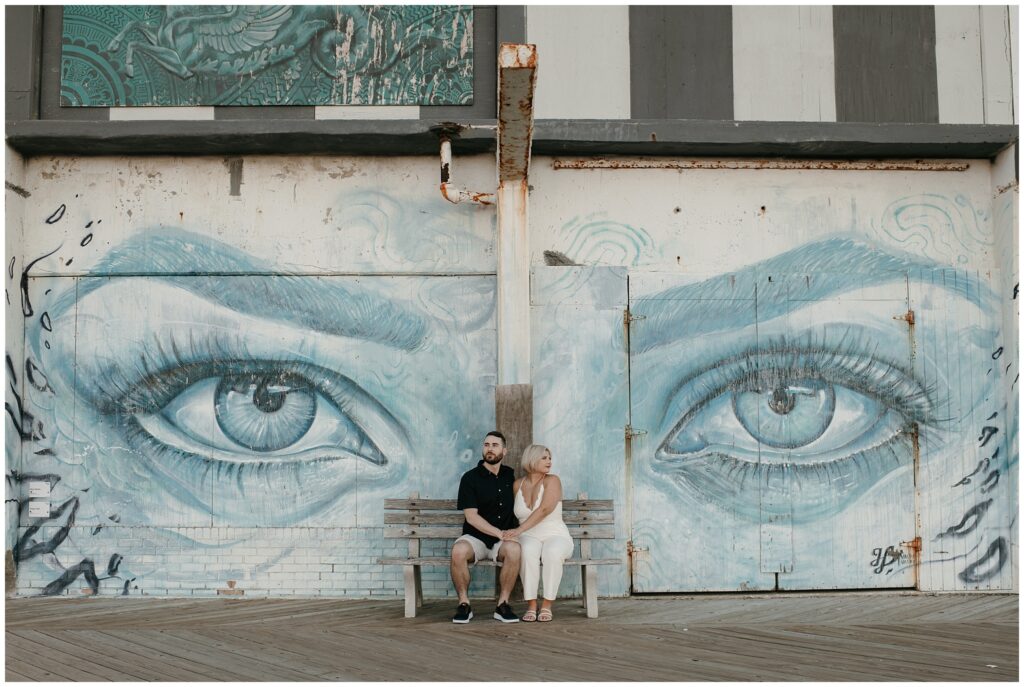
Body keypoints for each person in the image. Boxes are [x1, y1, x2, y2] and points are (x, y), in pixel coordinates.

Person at [450, 431, 521, 623]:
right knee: (458, 551)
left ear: (504, 451)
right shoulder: (470, 478)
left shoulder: (509, 476)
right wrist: (499, 532)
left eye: (495, 445)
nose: (489, 448)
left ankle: (502, 604)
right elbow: (471, 517)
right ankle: (464, 604)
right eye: (486, 444)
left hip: (503, 540)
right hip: (476, 538)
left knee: (515, 549)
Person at [504, 444, 573, 622]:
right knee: (526, 551)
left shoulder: (553, 481)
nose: (549, 461)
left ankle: (547, 605)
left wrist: (518, 530)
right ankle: (532, 605)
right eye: (544, 457)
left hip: (555, 533)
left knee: (552, 552)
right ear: (531, 459)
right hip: (528, 535)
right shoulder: (517, 485)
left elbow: (544, 510)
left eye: (550, 458)